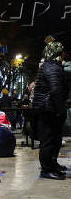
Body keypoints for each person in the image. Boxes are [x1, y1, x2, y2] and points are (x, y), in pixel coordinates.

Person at [33, 40, 69, 180]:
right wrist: (60, 110)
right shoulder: (51, 67)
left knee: (54, 139)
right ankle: (46, 170)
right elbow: (55, 90)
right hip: (49, 110)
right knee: (48, 140)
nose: (64, 54)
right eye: (62, 51)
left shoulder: (52, 66)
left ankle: (51, 165)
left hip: (50, 108)